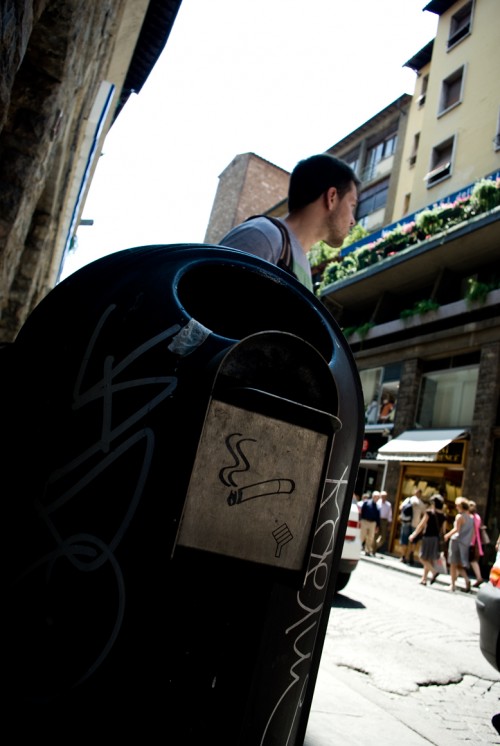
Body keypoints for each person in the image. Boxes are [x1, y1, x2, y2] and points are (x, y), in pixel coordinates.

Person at [220, 153, 360, 291]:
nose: (353, 221)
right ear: (332, 197)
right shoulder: (263, 236)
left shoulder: (302, 268)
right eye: (351, 205)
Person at [409, 494, 446, 585]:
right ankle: (424, 579)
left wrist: (414, 534)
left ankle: (434, 572)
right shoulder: (444, 516)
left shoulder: (429, 513)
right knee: (428, 559)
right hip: (436, 539)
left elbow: (421, 525)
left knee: (422, 557)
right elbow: (443, 530)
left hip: (428, 537)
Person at [444, 496, 474, 592]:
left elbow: (456, 529)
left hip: (456, 541)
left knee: (453, 564)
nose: (456, 507)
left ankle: (452, 584)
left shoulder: (459, 516)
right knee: (459, 565)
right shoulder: (471, 518)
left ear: (460, 506)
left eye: (457, 505)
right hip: (464, 543)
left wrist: (447, 535)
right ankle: (467, 580)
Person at [400, 488, 426, 565]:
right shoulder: (421, 503)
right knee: (413, 541)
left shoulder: (408, 500)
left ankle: (403, 556)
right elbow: (424, 514)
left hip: (406, 522)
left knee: (404, 539)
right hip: (416, 524)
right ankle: (411, 555)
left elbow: (401, 508)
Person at [468, 500, 485, 587]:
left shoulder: (472, 517)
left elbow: (473, 531)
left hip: (472, 542)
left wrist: (470, 542)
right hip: (476, 542)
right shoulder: (477, 517)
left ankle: (478, 577)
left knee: (472, 560)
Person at [360, 490, 380, 556]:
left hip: (373, 523)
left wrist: (377, 526)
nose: (378, 498)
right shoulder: (366, 503)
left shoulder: (378, 506)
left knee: (370, 537)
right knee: (362, 535)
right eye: (377, 497)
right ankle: (357, 548)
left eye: (378, 497)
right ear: (373, 496)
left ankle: (367, 551)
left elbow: (378, 516)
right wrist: (360, 520)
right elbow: (362, 512)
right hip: (365, 521)